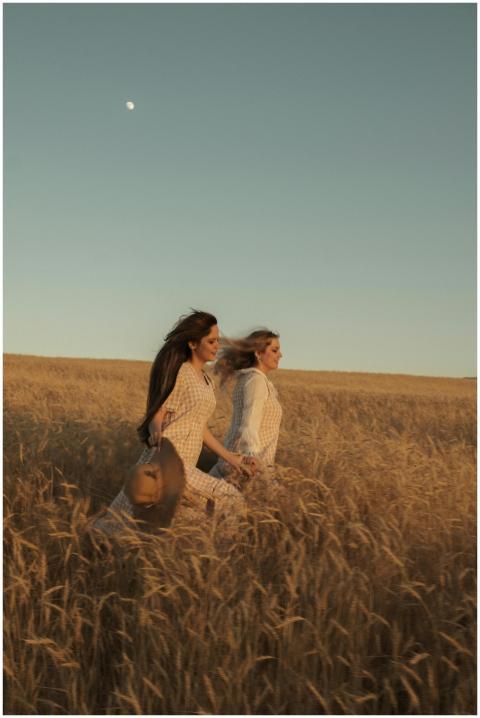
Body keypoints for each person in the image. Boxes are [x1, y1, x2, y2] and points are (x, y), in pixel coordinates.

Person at [94, 310, 252, 534]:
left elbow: (201, 428)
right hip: (170, 459)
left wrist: (230, 459)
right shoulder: (181, 372)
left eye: (218, 340)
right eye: (211, 340)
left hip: (186, 461)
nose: (217, 345)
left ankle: (103, 544)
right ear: (192, 343)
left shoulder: (207, 381)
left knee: (178, 520)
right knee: (229, 498)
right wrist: (156, 431)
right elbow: (157, 412)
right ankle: (228, 551)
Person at [209, 330, 283, 483]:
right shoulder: (255, 381)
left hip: (246, 461)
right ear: (258, 353)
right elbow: (249, 423)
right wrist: (251, 457)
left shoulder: (253, 379)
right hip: (248, 463)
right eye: (274, 350)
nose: (280, 355)